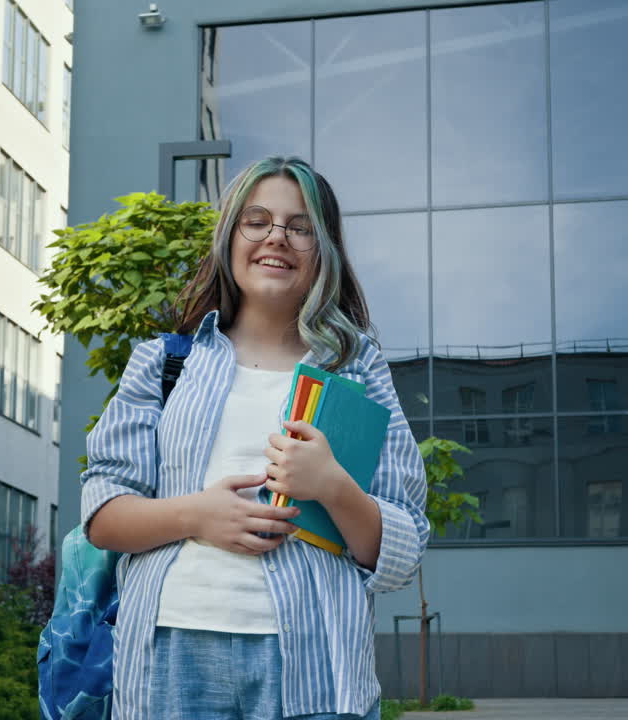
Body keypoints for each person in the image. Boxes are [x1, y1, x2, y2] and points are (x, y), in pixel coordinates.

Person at [80, 156, 428, 720]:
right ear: (229, 235)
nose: (277, 238)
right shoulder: (165, 363)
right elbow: (102, 515)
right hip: (169, 656)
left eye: (300, 226)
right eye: (257, 220)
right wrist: (196, 516)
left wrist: (333, 487)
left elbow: (401, 551)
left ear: (325, 250)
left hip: (317, 665)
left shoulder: (357, 370)